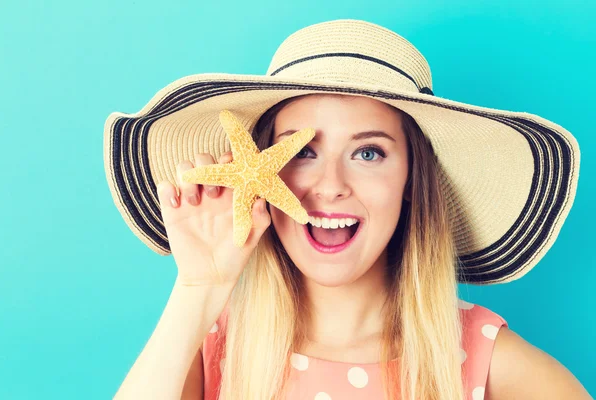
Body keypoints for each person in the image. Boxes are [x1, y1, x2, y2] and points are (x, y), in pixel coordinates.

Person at [105, 20, 591, 400]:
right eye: (301, 152)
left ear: (410, 180)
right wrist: (199, 287)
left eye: (369, 153)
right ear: (266, 175)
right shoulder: (207, 346)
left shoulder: (486, 360)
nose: (330, 187)